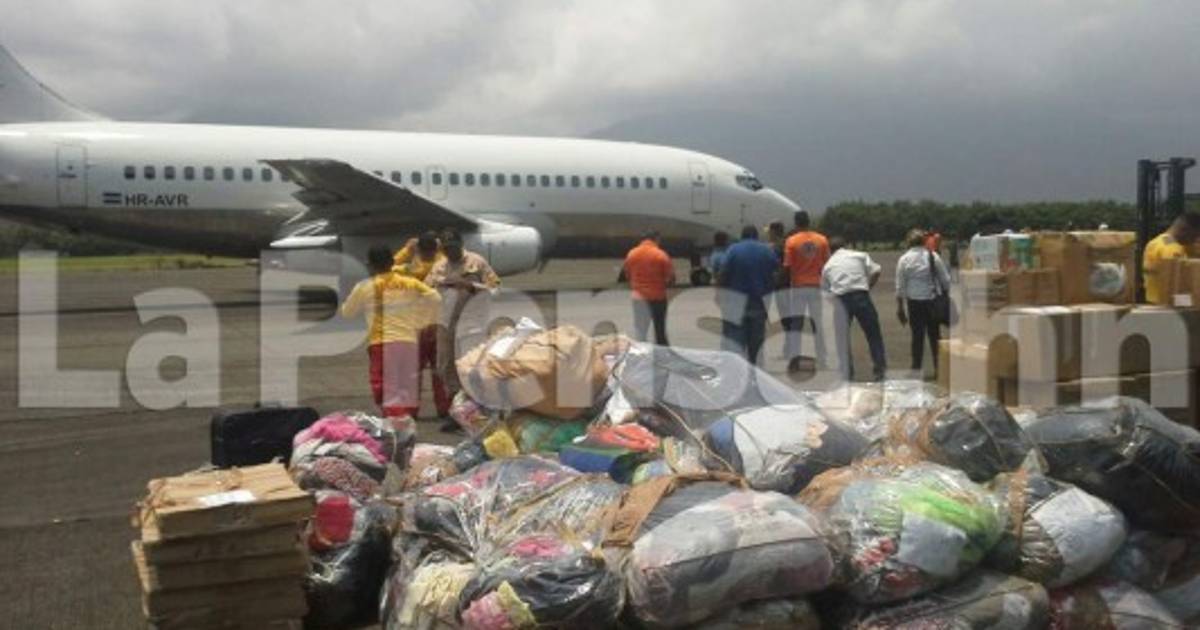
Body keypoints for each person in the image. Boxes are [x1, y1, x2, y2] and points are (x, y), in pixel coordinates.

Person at [340, 245, 441, 418]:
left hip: (381, 343)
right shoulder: (409, 282)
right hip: (409, 340)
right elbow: (435, 298)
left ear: (370, 265)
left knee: (385, 384)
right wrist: (423, 318)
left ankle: (396, 418)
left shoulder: (364, 287)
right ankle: (407, 417)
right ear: (392, 263)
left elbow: (347, 313)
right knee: (407, 382)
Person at [425, 228, 500, 431]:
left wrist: (471, 286)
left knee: (470, 366)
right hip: (445, 323)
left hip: (472, 323)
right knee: (444, 366)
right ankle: (457, 409)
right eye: (446, 248)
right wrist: (443, 285)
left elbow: (495, 288)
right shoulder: (439, 266)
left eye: (453, 247)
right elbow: (426, 289)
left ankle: (477, 409)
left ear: (461, 244)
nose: (450, 252)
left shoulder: (477, 262)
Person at [393, 230, 451, 418]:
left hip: (416, 327)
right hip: (439, 325)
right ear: (435, 249)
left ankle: (411, 409)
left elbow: (388, 267)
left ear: (419, 249)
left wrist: (407, 249)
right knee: (440, 371)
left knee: (412, 371)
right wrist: (441, 247)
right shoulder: (442, 266)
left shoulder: (409, 270)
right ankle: (444, 408)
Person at [822, 236, 886, 381]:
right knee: (873, 334)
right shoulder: (859, 255)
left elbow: (825, 291)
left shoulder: (828, 265)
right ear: (846, 245)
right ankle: (880, 370)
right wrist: (868, 286)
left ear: (830, 250)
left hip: (840, 298)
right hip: (860, 294)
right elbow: (876, 271)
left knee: (842, 339)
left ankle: (847, 373)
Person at [719, 225, 779, 364]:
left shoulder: (733, 250)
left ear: (742, 236)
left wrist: (720, 294)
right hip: (759, 302)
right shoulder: (766, 250)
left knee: (736, 343)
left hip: (736, 303)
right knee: (756, 345)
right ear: (756, 236)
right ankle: (755, 372)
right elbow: (777, 271)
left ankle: (738, 372)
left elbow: (723, 273)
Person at [896, 229, 952, 375]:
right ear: (923, 241)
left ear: (908, 242)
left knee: (917, 337)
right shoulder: (932, 256)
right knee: (935, 336)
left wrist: (900, 308)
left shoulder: (904, 259)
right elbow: (945, 280)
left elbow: (900, 286)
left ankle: (916, 368)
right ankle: (939, 368)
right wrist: (945, 295)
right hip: (932, 301)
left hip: (914, 303)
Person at [781, 210, 829, 372]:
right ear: (809, 222)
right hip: (816, 286)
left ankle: (794, 360)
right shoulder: (821, 240)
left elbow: (787, 266)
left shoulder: (791, 241)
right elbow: (826, 264)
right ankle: (822, 358)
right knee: (817, 324)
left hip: (799, 287)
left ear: (796, 223)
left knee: (796, 325)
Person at [623, 231, 675, 345]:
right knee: (659, 330)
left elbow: (627, 274)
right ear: (656, 239)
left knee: (640, 331)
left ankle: (641, 352)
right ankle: (662, 353)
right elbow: (670, 278)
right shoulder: (660, 254)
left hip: (638, 298)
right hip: (657, 297)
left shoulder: (632, 254)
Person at [1143, 212, 1200, 305]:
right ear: (1185, 230)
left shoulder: (1157, 241)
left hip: (1154, 301)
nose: (1194, 240)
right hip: (1167, 305)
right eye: (1195, 236)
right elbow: (1176, 284)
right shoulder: (1172, 249)